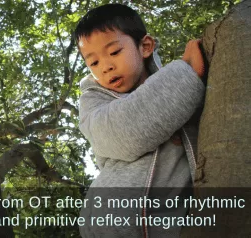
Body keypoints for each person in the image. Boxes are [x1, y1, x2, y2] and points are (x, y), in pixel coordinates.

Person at [74, 3, 205, 238]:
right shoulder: (94, 100)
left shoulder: (183, 92)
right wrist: (186, 73)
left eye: (114, 52)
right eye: (93, 63)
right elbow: (123, 133)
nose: (106, 66)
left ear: (145, 46)